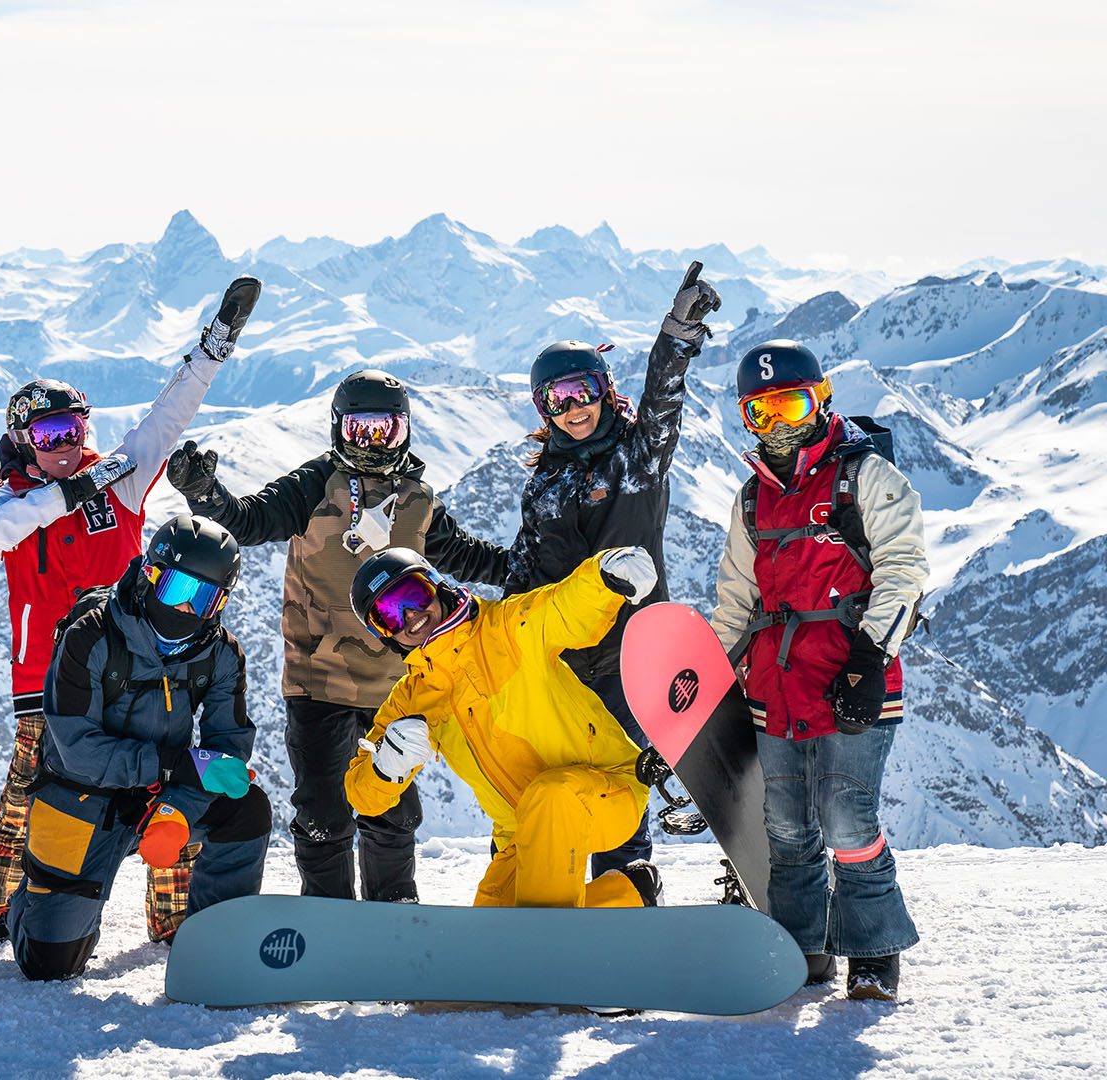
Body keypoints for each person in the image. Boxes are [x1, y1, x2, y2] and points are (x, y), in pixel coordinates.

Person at [0, 276, 261, 941]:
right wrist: (70, 491)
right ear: (22, 440)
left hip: (137, 670)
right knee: (30, 790)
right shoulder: (12, 500)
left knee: (165, 790)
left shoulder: (118, 479)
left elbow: (168, 415)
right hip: (44, 677)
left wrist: (214, 348)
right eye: (48, 432)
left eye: (74, 428)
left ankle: (175, 919)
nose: (66, 443)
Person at [165, 370, 508, 903]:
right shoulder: (314, 486)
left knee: (392, 810)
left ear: (406, 431)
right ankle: (328, 918)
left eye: (386, 431)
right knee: (324, 811)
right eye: (360, 430)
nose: (372, 445)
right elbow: (248, 520)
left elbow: (465, 555)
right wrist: (205, 493)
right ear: (336, 430)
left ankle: (392, 912)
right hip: (318, 681)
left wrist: (531, 570)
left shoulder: (417, 499)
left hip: (397, 686)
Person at [709, 340, 927, 1001]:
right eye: (761, 413)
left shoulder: (866, 477)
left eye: (792, 404)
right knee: (785, 825)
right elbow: (735, 602)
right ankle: (800, 948)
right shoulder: (752, 500)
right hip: (773, 688)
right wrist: (708, 684)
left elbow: (904, 571)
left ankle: (873, 950)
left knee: (847, 819)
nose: (779, 425)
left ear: (822, 398)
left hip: (852, 680)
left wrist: (868, 659)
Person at [505, 265, 722, 886]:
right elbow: (523, 572)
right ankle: (590, 900)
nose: (573, 409)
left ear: (603, 389)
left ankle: (632, 885)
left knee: (629, 785)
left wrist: (676, 334)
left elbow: (663, 397)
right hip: (569, 666)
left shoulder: (637, 455)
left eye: (582, 392)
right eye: (557, 400)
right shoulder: (543, 485)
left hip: (636, 655)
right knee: (585, 789)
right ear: (543, 409)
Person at [8, 515, 269, 980]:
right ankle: (33, 898)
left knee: (245, 806)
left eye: (203, 597)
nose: (186, 609)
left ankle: (218, 940)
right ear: (149, 575)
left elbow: (226, 751)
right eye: (175, 589)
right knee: (48, 966)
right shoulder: (90, 636)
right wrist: (174, 766)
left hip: (157, 795)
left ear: (220, 603)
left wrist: (178, 808)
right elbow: (78, 751)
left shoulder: (220, 653)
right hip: (79, 797)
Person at [344, 545, 663, 909]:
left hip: (606, 791)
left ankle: (550, 954)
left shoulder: (507, 627)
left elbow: (564, 607)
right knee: (492, 937)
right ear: (386, 636)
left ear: (435, 585)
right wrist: (386, 768)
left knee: (551, 800)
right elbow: (361, 795)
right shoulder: (412, 699)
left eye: (411, 594)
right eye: (388, 616)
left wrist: (604, 574)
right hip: (521, 832)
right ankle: (631, 893)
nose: (410, 615)